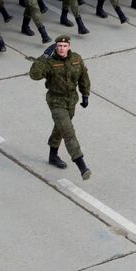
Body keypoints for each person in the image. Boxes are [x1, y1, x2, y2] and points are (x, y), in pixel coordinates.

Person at [28, 35, 92, 179]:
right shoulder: (49, 63)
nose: (61, 49)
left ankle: (53, 156)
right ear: (55, 48)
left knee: (60, 127)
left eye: (64, 46)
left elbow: (84, 76)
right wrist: (43, 57)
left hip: (71, 100)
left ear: (69, 46)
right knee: (68, 132)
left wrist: (85, 94)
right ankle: (82, 166)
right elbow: (34, 75)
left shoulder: (76, 59)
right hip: (56, 101)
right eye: (58, 46)